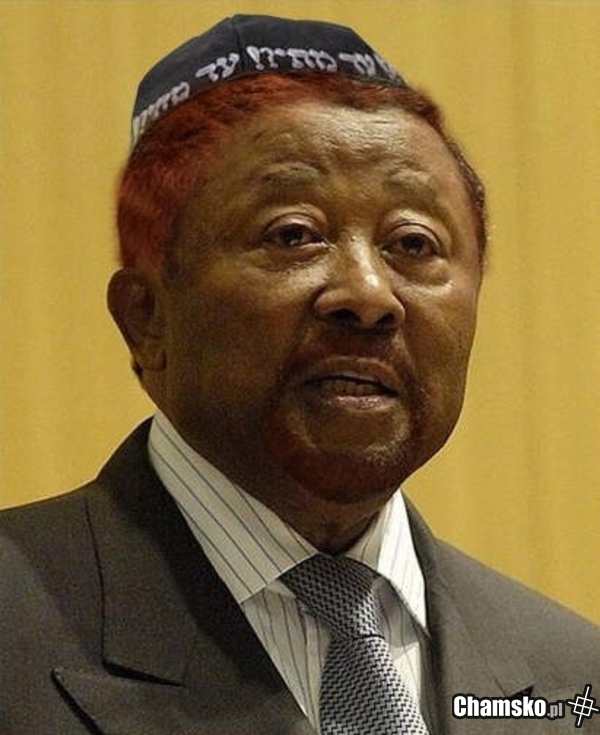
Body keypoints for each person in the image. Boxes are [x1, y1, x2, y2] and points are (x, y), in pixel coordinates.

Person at [1, 14, 598, 735]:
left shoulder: (575, 679)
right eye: (294, 235)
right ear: (147, 318)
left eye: (414, 243)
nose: (369, 294)